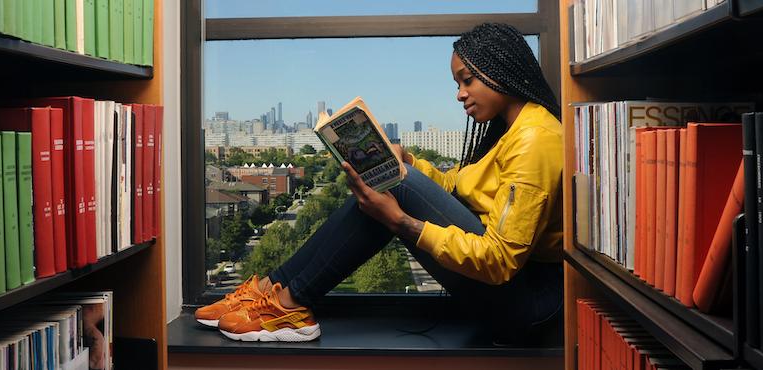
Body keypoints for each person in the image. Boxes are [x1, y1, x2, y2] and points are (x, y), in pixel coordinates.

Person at [195, 22, 564, 344]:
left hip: (526, 307)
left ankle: (287, 304)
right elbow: (459, 187)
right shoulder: (514, 129)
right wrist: (409, 162)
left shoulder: (535, 139)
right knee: (393, 177)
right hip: (514, 293)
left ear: (500, 69)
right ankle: (271, 292)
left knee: (394, 189)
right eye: (457, 83)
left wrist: (403, 222)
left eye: (467, 80)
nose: (460, 93)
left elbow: (499, 260)